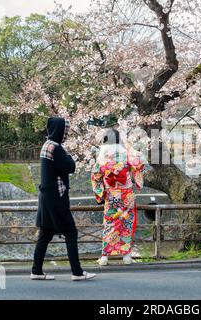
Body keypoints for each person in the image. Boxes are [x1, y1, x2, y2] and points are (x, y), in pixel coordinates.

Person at [31, 117, 96, 281]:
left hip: (46, 197)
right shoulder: (56, 148)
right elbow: (71, 167)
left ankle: (36, 271)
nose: (66, 133)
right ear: (59, 130)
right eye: (65, 130)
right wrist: (69, 155)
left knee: (45, 233)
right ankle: (77, 272)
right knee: (71, 232)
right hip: (56, 198)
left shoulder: (46, 145)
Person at [91, 129, 145, 265]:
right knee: (126, 223)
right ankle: (126, 256)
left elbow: (95, 176)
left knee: (110, 223)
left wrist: (100, 194)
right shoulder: (126, 155)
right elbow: (139, 164)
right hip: (126, 196)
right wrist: (137, 184)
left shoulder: (102, 157)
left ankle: (105, 256)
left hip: (111, 196)